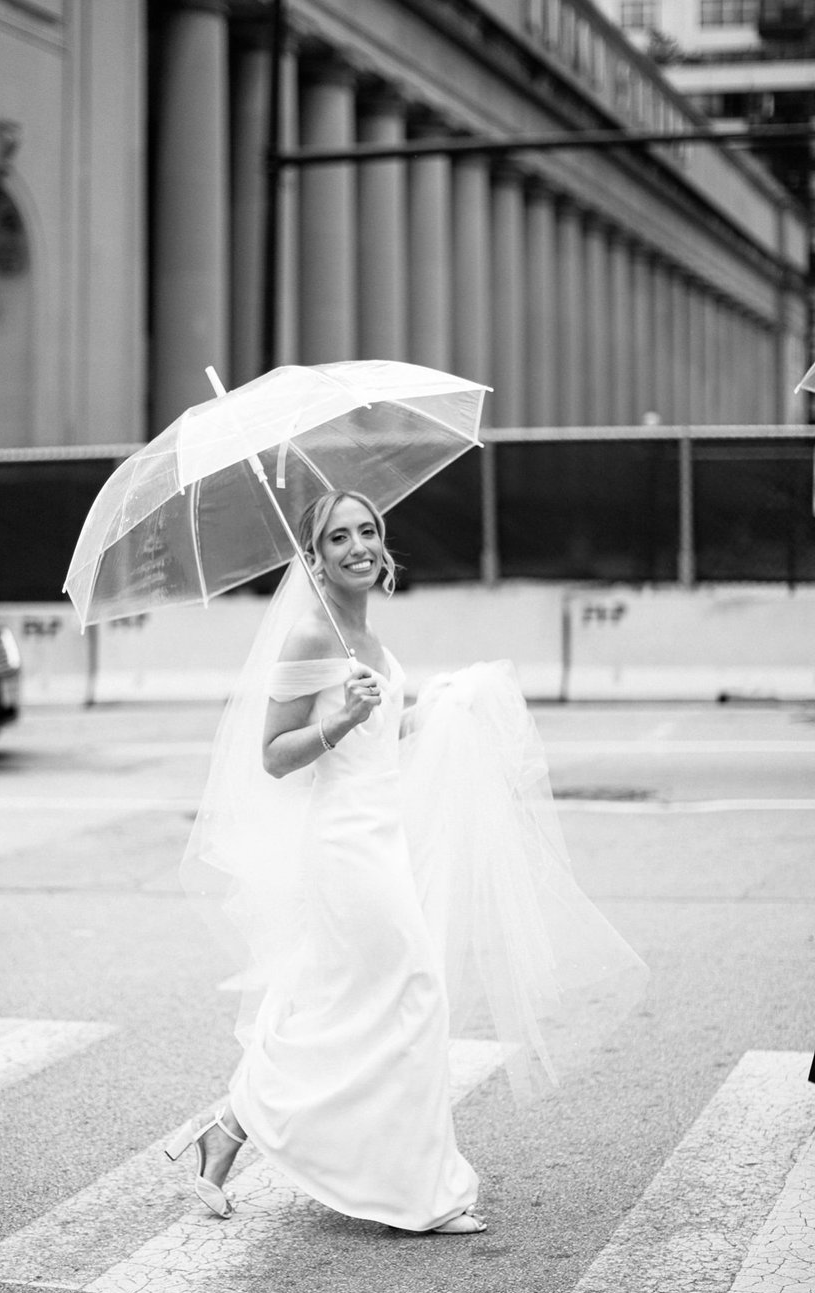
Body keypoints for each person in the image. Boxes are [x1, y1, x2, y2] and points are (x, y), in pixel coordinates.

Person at [169, 489, 646, 1235]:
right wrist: (339, 720)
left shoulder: (363, 631)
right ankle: (419, 1191)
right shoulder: (309, 638)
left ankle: (223, 1138)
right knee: (416, 993)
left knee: (340, 1006)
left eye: (367, 531)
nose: (358, 545)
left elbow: (383, 741)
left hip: (381, 835)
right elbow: (271, 757)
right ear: (315, 557)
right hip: (344, 848)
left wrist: (444, 710)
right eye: (338, 538)